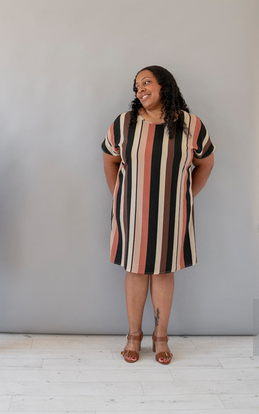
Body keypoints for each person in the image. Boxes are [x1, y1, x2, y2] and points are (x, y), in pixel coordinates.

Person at [102, 66, 215, 365]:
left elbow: (205, 164)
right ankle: (134, 335)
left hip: (172, 215)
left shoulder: (191, 125)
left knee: (164, 271)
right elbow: (110, 161)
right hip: (131, 213)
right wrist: (120, 199)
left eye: (146, 82)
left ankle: (161, 337)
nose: (140, 88)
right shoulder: (124, 124)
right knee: (136, 270)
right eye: (136, 85)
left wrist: (185, 195)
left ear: (165, 85)